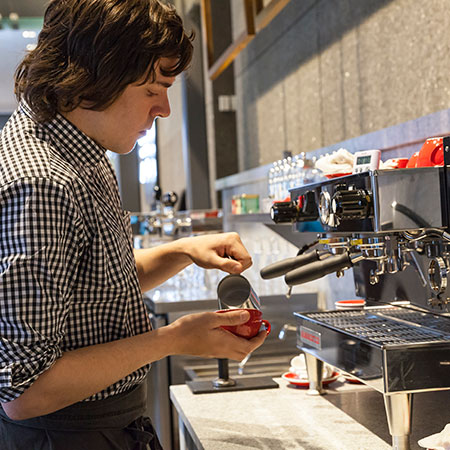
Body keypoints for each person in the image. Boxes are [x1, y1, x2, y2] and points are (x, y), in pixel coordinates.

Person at [0, 1, 267, 448]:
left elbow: (93, 287)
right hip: (67, 435)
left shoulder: (79, 148)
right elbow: (25, 390)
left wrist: (182, 250)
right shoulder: (43, 181)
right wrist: (174, 338)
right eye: (153, 90)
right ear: (95, 75)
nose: (163, 109)